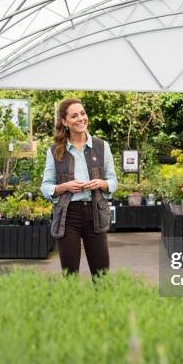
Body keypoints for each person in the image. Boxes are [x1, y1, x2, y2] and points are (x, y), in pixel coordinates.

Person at [41, 98, 117, 277]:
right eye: (74, 115)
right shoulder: (55, 151)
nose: (81, 118)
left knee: (101, 276)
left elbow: (113, 181)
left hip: (95, 213)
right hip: (68, 216)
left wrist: (102, 183)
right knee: (70, 276)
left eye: (82, 113)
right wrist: (63, 187)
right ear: (65, 122)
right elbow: (45, 186)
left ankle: (103, 306)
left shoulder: (101, 146)